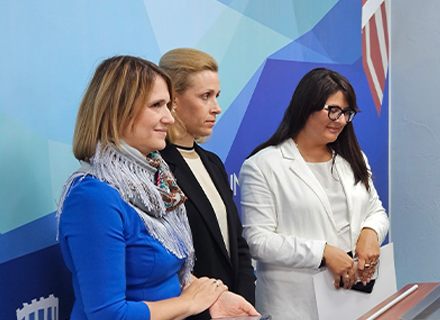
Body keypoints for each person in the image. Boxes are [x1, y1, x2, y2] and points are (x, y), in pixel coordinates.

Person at [56, 55, 258, 320]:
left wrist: (215, 299)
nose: (170, 118)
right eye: (156, 105)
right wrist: (189, 303)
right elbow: (107, 314)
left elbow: (167, 276)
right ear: (118, 111)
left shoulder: (157, 180)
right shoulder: (92, 197)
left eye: (167, 105)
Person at [239, 68, 390, 320]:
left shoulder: (353, 159)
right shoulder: (263, 165)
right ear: (306, 106)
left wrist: (371, 233)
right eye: (333, 110)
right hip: (295, 306)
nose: (340, 120)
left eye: (346, 113)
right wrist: (323, 252)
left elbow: (375, 210)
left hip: (355, 300)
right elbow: (258, 240)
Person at [159, 48, 256, 320]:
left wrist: (242, 304)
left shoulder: (213, 163)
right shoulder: (155, 168)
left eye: (216, 96)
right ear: (173, 100)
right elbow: (168, 263)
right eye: (205, 96)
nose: (217, 107)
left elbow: (237, 245)